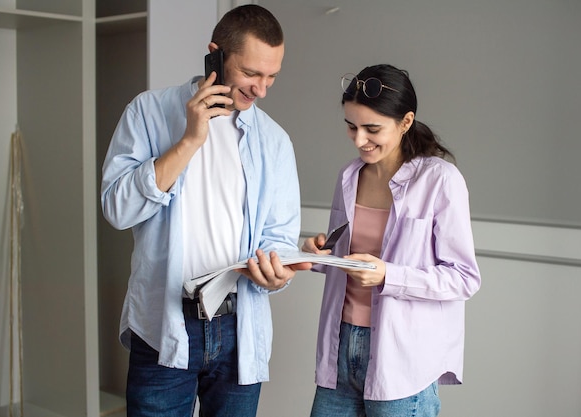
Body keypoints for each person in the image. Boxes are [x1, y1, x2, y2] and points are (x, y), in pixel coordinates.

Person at [101, 5, 310, 417]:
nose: (262, 89)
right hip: (163, 326)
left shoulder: (275, 142)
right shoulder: (148, 112)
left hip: (239, 328)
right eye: (251, 73)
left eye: (272, 77)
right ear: (215, 54)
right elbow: (117, 209)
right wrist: (189, 141)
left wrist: (276, 272)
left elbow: (279, 238)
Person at [301, 64, 482, 417]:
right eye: (351, 127)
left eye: (372, 129)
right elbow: (350, 259)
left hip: (403, 359)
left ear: (405, 121)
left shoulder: (440, 180)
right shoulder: (349, 176)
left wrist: (388, 275)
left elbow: (464, 277)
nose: (359, 140)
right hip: (340, 348)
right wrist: (319, 255)